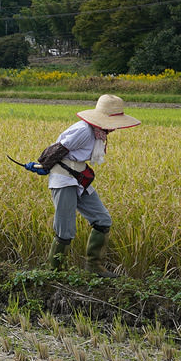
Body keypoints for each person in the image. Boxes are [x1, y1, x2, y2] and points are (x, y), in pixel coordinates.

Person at [45, 94, 140, 276]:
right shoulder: (84, 131)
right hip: (64, 179)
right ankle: (55, 272)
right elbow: (57, 149)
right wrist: (45, 165)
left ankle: (94, 267)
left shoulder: (98, 134)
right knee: (65, 229)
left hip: (79, 179)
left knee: (102, 219)